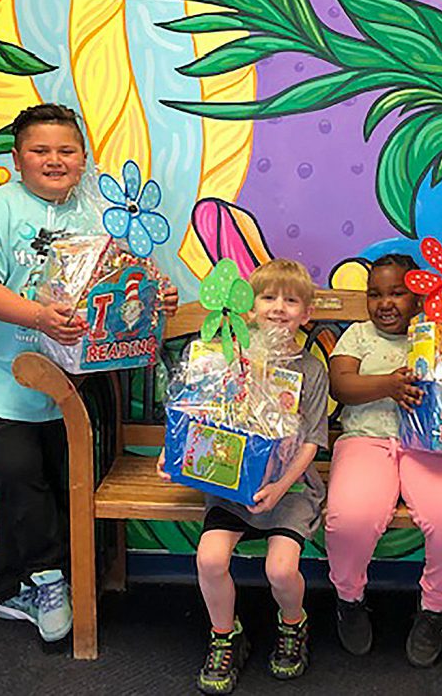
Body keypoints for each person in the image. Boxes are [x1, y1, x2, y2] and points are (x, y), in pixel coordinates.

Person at [0, 103, 177, 644]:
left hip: (74, 381)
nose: (54, 161)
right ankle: (51, 581)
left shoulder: (96, 211)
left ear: (83, 159)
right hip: (1, 373)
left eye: (66, 150)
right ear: (17, 157)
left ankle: (15, 586)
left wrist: (157, 295)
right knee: (19, 475)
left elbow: (124, 280)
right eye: (40, 151)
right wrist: (36, 315)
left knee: (56, 481)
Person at [161, 259, 328, 695]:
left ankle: (294, 624)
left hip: (288, 487)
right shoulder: (228, 358)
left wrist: (278, 488)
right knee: (210, 560)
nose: (278, 308)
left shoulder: (311, 370)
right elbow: (198, 413)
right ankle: (224, 635)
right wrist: (172, 453)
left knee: (281, 569)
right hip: (231, 487)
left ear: (305, 314)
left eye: (291, 300)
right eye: (268, 297)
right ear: (248, 308)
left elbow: (310, 440)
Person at [325, 254, 442, 668]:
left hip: (428, 448)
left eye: (397, 292)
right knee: (349, 517)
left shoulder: (439, 333)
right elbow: (341, 385)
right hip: (366, 442)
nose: (384, 303)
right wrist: (389, 385)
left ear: (420, 296)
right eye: (375, 294)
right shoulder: (358, 335)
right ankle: (350, 599)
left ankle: (433, 610)